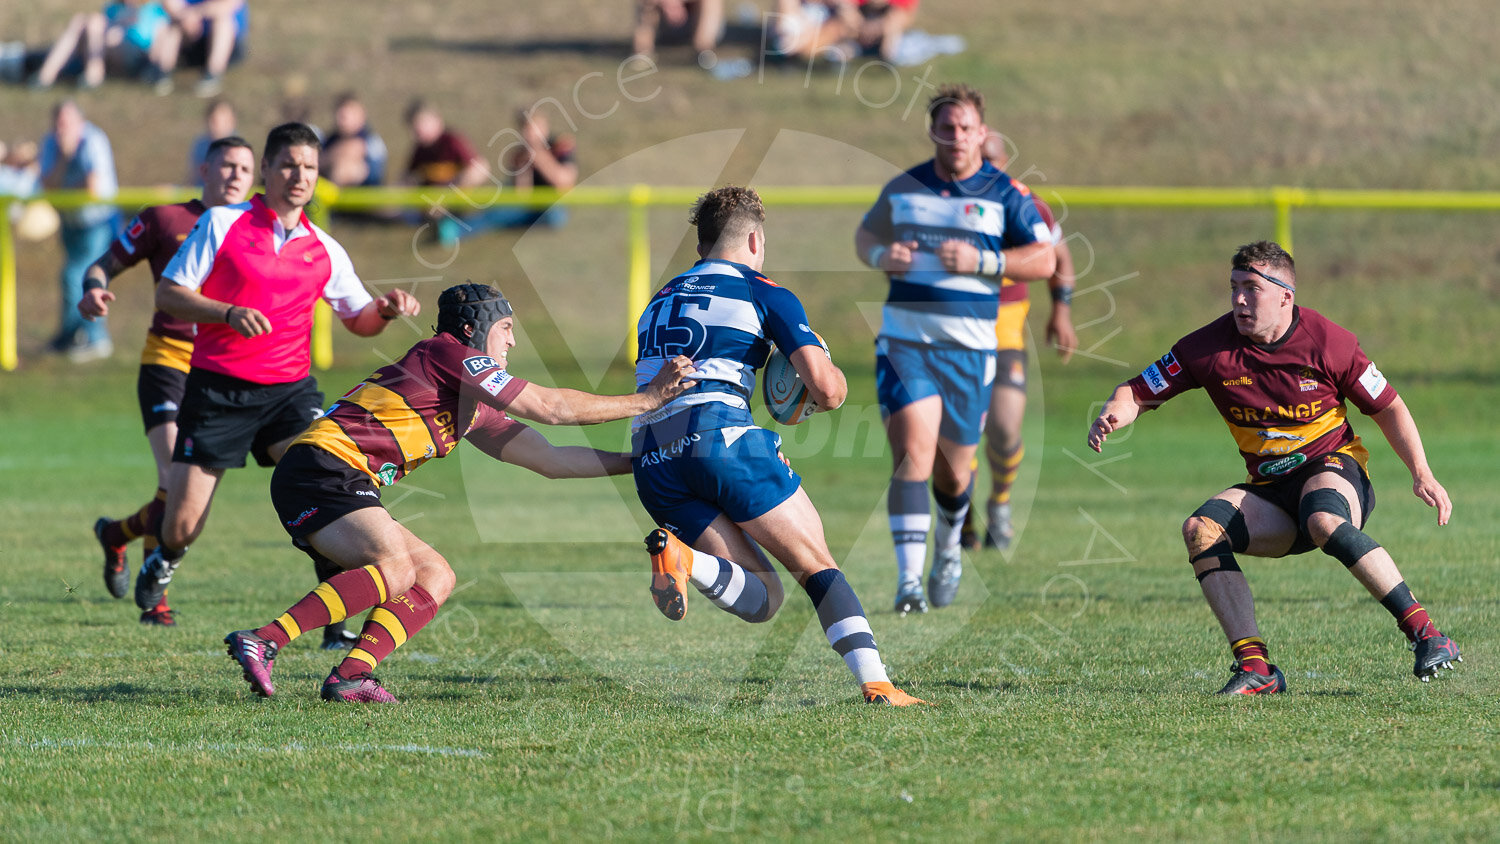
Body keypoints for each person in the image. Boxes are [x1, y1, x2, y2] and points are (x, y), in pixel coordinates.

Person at [224, 283, 695, 702]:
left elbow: (551, 460)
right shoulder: (446, 353)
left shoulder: (473, 407)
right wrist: (648, 400)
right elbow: (549, 408)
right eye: (506, 327)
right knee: (392, 567)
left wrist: (643, 463)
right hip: (321, 467)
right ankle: (265, 639)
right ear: (476, 328)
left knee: (435, 576)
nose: (512, 340)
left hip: (342, 477)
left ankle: (352, 675)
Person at [1087, 240, 1461, 694]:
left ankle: (1427, 634)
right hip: (1270, 490)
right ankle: (1256, 668)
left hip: (1334, 468)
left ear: (1286, 295)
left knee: (1323, 519)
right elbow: (1138, 390)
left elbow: (1389, 407)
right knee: (1200, 530)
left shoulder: (1329, 341)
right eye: (1234, 288)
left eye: (1252, 288)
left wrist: (1421, 472)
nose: (1240, 300)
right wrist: (1115, 412)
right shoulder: (1206, 348)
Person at [633, 186, 926, 706]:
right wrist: (824, 377)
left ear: (701, 244)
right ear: (754, 238)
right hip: (721, 436)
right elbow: (828, 391)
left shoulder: (658, 300)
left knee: (763, 598)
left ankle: (681, 558)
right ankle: (877, 683)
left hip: (652, 456)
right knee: (816, 563)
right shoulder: (764, 291)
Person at [136, 122, 421, 626]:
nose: (299, 175)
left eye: (309, 167)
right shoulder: (224, 223)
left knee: (324, 491)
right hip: (217, 391)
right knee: (181, 525)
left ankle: (337, 616)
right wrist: (225, 313)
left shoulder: (325, 248)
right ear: (266, 169)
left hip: (289, 395)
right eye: (289, 164)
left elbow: (358, 320)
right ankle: (165, 557)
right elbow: (168, 293)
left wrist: (386, 309)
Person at [854, 83, 1055, 614]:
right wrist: (882, 255)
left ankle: (948, 548)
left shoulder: (1005, 192)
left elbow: (1044, 260)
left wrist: (982, 262)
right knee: (913, 457)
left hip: (970, 352)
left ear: (981, 133)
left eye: (967, 128)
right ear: (932, 132)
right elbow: (864, 237)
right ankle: (908, 584)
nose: (957, 137)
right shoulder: (903, 187)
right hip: (906, 343)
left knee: (953, 471)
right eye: (947, 127)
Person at [78, 135, 254, 626]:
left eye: (245, 167)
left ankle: (117, 533)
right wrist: (94, 290)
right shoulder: (165, 218)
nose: (236, 175)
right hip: (168, 361)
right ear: (205, 168)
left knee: (182, 490)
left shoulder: (261, 232)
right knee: (174, 477)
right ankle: (156, 599)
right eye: (226, 165)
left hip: (225, 368)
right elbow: (103, 263)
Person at [961, 129, 1078, 551]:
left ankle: (1000, 503)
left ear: (1006, 161)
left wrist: (1061, 311)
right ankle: (961, 520)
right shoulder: (952, 204)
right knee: (959, 434)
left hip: (1005, 331)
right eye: (980, 160)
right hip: (956, 334)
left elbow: (1060, 258)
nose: (988, 169)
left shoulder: (1026, 205)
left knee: (1006, 429)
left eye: (994, 160)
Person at [39, 100, 120, 362]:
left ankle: (96, 339)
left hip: (97, 222)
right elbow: (47, 186)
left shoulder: (93, 140)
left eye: (67, 122)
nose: (62, 128)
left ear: (80, 122)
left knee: (79, 276)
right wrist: (64, 157)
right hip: (70, 221)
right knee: (72, 278)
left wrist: (65, 180)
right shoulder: (51, 143)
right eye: (58, 122)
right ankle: (70, 335)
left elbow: (92, 186)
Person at [445, 109, 577, 239]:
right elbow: (521, 195)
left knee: (553, 218)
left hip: (553, 207)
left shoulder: (561, 145)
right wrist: (524, 166)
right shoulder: (519, 154)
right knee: (496, 213)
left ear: (544, 126)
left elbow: (564, 181)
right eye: (524, 128)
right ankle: (455, 229)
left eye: (532, 128)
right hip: (529, 208)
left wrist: (539, 157)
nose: (528, 134)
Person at [31, 0, 170, 89]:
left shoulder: (154, 10)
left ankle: (93, 76)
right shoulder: (113, 7)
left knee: (94, 22)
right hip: (103, 52)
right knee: (81, 21)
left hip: (135, 57)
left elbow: (159, 43)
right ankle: (45, 75)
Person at [149, 0, 247, 96]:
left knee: (222, 20)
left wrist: (196, 13)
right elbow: (169, 4)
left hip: (227, 44)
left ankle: (212, 75)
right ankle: (162, 74)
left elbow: (228, 5)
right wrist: (184, 18)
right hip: (189, 39)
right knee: (172, 25)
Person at [321, 92, 388, 188]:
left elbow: (375, 174)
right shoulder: (329, 140)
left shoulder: (371, 141)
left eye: (345, 116)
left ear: (361, 115)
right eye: (339, 115)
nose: (341, 121)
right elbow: (318, 163)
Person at [185, 98, 235, 186]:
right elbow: (193, 176)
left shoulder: (239, 149)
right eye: (213, 121)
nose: (215, 127)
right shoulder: (201, 144)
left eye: (221, 122)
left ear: (232, 121)